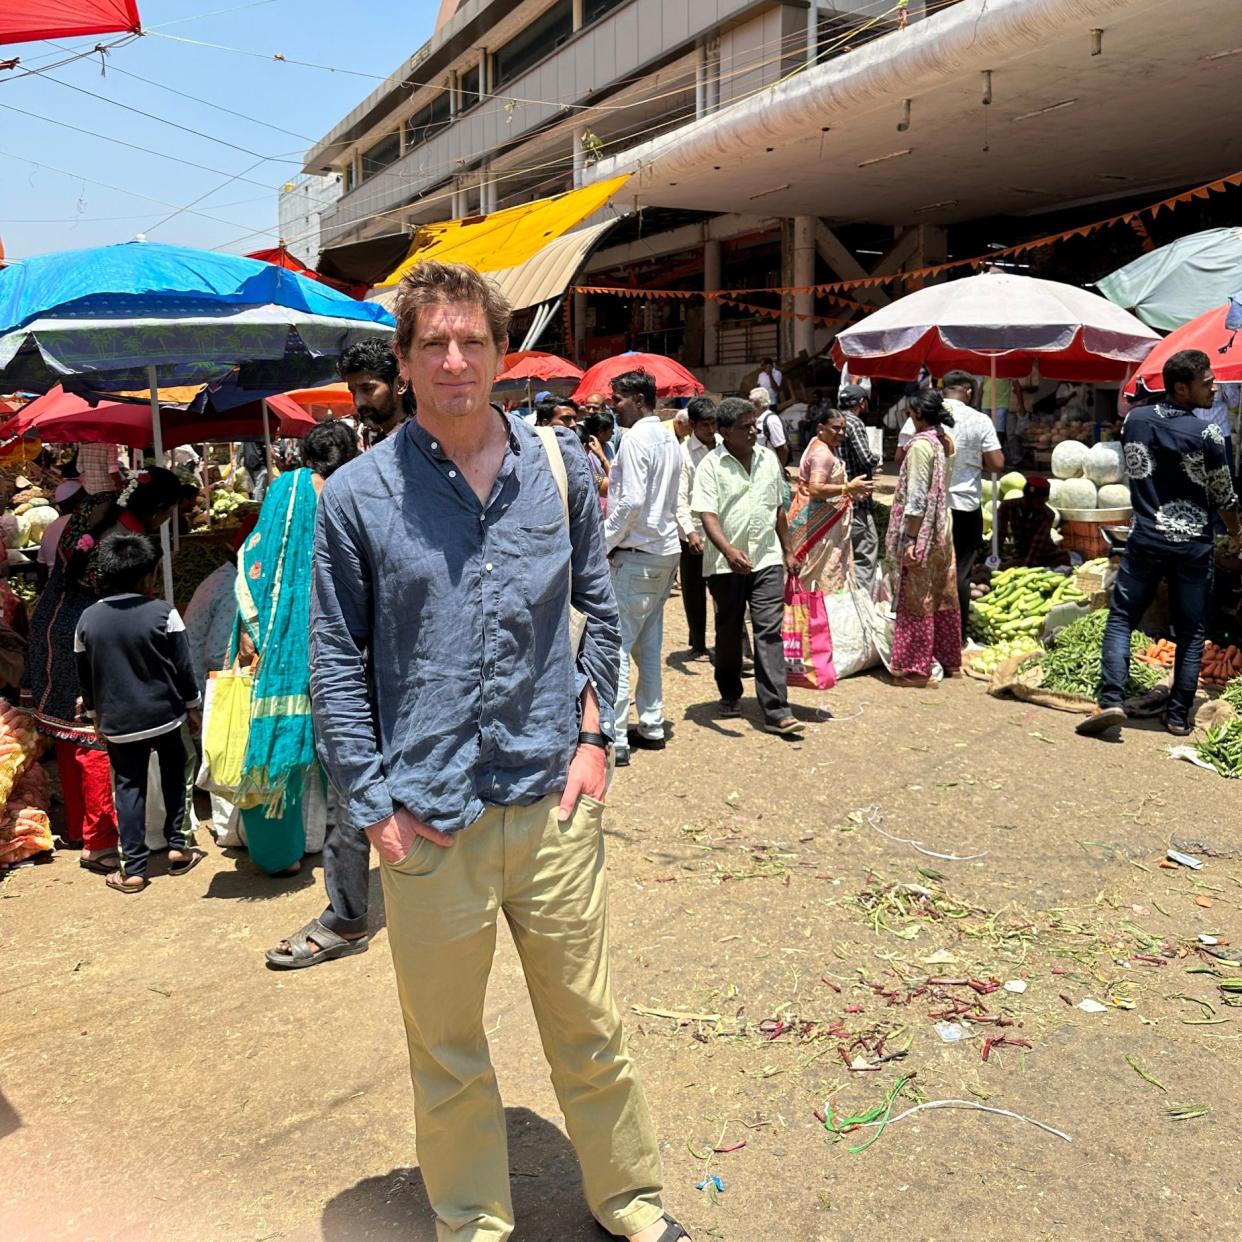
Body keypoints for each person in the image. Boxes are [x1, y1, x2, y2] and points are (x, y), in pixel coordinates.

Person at [309, 260, 681, 1242]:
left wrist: (596, 734)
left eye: (472, 338)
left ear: (501, 352)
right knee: (448, 1053)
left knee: (590, 1029)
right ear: (403, 361)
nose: (454, 358)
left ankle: (632, 1203)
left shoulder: (557, 470)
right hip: (429, 822)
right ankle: (474, 1222)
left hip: (552, 801)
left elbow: (599, 610)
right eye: (432, 341)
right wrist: (372, 805)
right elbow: (335, 666)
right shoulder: (356, 498)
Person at [23, 467, 184, 872]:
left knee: (67, 731)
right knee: (94, 737)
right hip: (84, 630)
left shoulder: (98, 508)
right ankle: (101, 842)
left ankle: (78, 829)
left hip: (49, 619)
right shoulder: (128, 542)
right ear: (161, 509)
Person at [1078, 350, 1242, 739]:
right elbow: (1223, 496)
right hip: (1192, 547)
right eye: (1207, 382)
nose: (1214, 387)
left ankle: (1111, 700)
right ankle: (1178, 716)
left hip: (1145, 539)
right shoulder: (1207, 434)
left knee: (1121, 618)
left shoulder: (1135, 420)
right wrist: (1237, 533)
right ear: (1181, 387)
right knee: (1191, 630)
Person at [236, 421, 358, 879]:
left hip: (280, 635)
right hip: (334, 629)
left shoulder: (285, 488)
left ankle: (282, 845)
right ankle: (332, 831)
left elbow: (255, 553)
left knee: (281, 730)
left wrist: (252, 625)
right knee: (336, 729)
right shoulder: (347, 489)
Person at [74, 532, 205, 893]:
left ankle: (133, 869)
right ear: (148, 575)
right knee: (174, 775)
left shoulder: (87, 620)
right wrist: (192, 707)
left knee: (129, 787)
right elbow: (183, 667)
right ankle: (178, 848)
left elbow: (86, 679)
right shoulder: (164, 612)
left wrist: (96, 718)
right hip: (165, 714)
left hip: (119, 721)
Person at [692, 396, 803, 734]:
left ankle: (776, 709)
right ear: (725, 431)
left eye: (755, 424)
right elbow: (707, 514)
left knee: (768, 631)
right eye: (746, 426)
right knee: (728, 631)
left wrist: (788, 550)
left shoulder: (768, 459)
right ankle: (729, 691)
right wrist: (727, 550)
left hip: (767, 557)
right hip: (727, 565)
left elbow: (778, 509)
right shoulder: (711, 465)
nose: (755, 431)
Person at [604, 368, 683, 765]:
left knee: (617, 648)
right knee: (648, 646)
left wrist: (602, 542)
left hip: (637, 555)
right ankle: (651, 725)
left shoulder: (635, 439)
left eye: (616, 398)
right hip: (663, 553)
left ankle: (616, 738)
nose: (611, 405)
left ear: (637, 400)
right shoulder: (669, 437)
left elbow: (631, 502)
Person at [899, 371, 1004, 642]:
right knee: (960, 572)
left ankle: (924, 633)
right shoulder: (980, 419)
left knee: (927, 570)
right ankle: (955, 636)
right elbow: (997, 464)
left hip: (930, 511)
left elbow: (900, 454)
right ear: (968, 391)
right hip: (965, 505)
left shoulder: (923, 413)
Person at [887, 390, 961, 686]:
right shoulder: (943, 440)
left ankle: (917, 670)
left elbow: (917, 498)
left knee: (917, 599)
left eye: (909, 412)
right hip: (942, 526)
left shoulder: (920, 446)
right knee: (942, 591)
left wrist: (909, 539)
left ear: (918, 414)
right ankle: (945, 658)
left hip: (923, 532)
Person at [788, 408, 872, 592]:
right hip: (820, 528)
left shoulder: (818, 444)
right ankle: (819, 617)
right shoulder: (823, 454)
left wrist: (851, 490)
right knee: (824, 575)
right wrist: (847, 488)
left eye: (843, 429)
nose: (841, 433)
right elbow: (816, 489)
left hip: (820, 522)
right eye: (835, 428)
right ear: (820, 428)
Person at [675, 396, 718, 659]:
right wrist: (689, 531)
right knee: (694, 592)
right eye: (706, 425)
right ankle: (698, 643)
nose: (711, 430)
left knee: (726, 590)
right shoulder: (682, 455)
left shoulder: (725, 447)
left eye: (714, 424)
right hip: (693, 533)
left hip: (724, 532)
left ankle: (734, 643)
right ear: (692, 425)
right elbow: (680, 498)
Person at [835, 384, 883, 588]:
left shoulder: (834, 421)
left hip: (839, 496)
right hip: (858, 497)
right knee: (866, 550)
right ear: (862, 403)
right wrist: (878, 456)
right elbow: (866, 458)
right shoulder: (855, 423)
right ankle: (863, 604)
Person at [340, 336, 408, 441]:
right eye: (353, 392)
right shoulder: (382, 442)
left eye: (367, 389)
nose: (358, 402)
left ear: (400, 384)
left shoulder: (418, 442)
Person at [997, 476, 1067, 567]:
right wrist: (993, 557)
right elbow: (999, 534)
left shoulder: (1047, 515)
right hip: (1020, 551)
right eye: (1036, 501)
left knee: (1064, 558)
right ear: (1025, 496)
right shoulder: (1007, 506)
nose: (1039, 505)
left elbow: (1036, 546)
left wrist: (1025, 569)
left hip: (1043, 552)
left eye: (1042, 502)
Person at [36, 480, 83, 585]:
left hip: (55, 586)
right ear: (77, 500)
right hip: (78, 588)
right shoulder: (83, 521)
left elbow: (41, 567)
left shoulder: (49, 529)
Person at [751, 386, 789, 467]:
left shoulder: (771, 420)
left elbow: (782, 449)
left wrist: (779, 469)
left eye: (752, 402)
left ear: (760, 404)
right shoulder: (756, 420)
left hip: (771, 468)